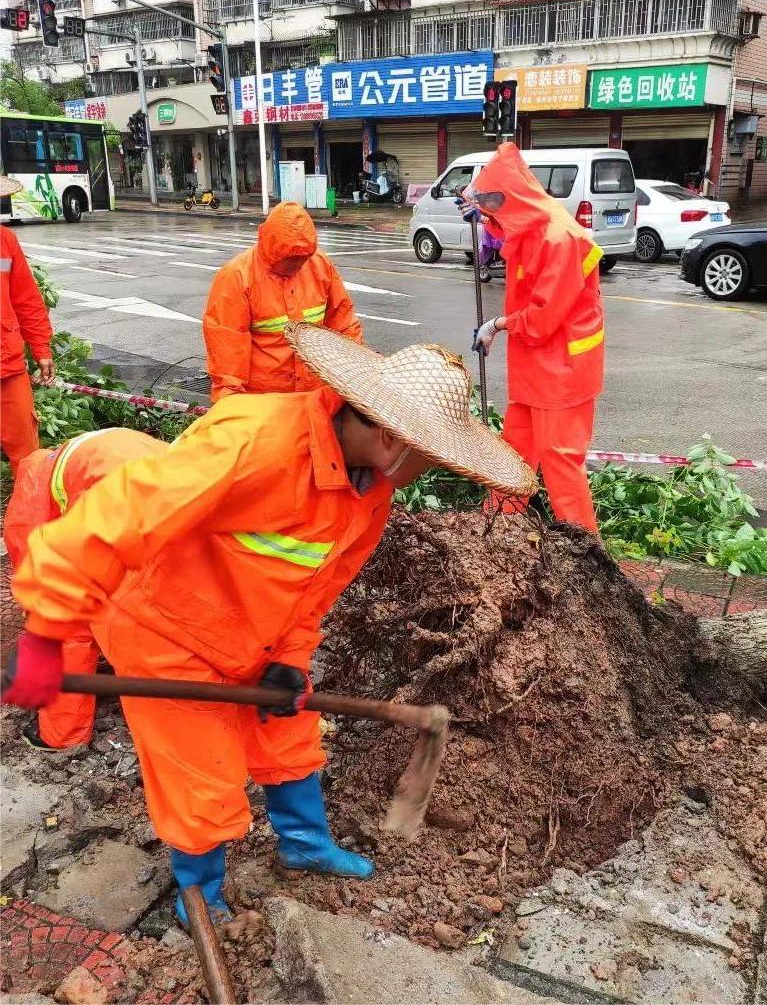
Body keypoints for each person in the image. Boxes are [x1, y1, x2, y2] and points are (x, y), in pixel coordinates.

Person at [4, 325, 537, 923]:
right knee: (200, 777)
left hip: (251, 631)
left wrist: (289, 657)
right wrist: (46, 635)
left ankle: (305, 845)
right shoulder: (253, 443)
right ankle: (199, 896)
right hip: (164, 628)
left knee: (289, 735)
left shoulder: (368, 493)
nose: (431, 468)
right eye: (430, 456)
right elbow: (109, 522)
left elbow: (316, 589)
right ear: (392, 437)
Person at [465, 142, 604, 533]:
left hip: (563, 370)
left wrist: (498, 324)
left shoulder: (561, 239)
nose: (494, 213)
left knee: (560, 460)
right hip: (536, 368)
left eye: (495, 204)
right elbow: (514, 231)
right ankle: (500, 528)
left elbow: (543, 318)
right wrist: (487, 219)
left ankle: (584, 549)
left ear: (514, 197)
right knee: (515, 450)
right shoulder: (536, 223)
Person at [3, 428, 169, 751]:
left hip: (119, 497)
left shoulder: (28, 505)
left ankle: (61, 734)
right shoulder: (78, 456)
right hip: (177, 488)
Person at [203, 201, 362, 402]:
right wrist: (230, 404)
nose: (298, 265)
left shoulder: (319, 265)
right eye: (291, 259)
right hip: (264, 401)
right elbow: (227, 348)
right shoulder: (237, 277)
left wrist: (355, 374)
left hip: (314, 397)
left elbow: (343, 323)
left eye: (303, 258)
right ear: (270, 246)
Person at [1, 176, 55, 475]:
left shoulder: (5, 241)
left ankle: (27, 501)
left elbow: (25, 298)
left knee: (26, 452)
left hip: (7, 364)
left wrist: (41, 347)